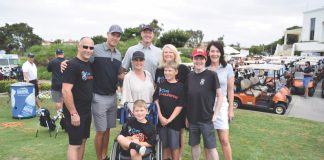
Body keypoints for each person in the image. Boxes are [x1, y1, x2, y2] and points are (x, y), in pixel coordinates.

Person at [61, 25, 124, 160]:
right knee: (100, 131)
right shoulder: (96, 49)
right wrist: (65, 62)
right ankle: (99, 157)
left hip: (112, 97)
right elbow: (80, 59)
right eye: (113, 34)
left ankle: (104, 156)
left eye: (118, 35)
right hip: (98, 97)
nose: (115, 37)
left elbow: (118, 73)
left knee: (106, 130)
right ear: (107, 34)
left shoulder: (119, 54)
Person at [186, 48, 223, 160]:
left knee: (211, 147)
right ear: (193, 59)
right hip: (192, 119)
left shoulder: (211, 75)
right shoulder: (189, 76)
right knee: (194, 145)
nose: (198, 61)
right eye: (196, 58)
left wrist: (216, 114)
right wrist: (187, 117)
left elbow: (220, 95)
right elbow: (188, 98)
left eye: (201, 58)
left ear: (205, 59)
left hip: (207, 119)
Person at [154, 44, 189, 159]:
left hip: (176, 114)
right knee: (164, 142)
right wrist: (161, 117)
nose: (168, 54)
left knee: (177, 139)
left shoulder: (182, 69)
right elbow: (156, 96)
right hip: (162, 113)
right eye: (165, 52)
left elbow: (184, 95)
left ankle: (177, 157)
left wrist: (169, 119)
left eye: (170, 52)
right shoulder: (159, 71)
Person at [61, 37, 94, 160]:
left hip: (86, 110)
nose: (88, 50)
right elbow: (65, 90)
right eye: (85, 46)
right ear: (78, 47)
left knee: (83, 141)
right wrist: (73, 113)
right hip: (75, 111)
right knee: (74, 144)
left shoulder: (89, 65)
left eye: (91, 48)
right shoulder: (71, 65)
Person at [206, 41, 234, 160]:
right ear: (208, 53)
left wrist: (231, 109)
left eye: (217, 51)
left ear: (221, 53)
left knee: (224, 140)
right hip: (207, 105)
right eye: (212, 51)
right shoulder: (204, 67)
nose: (215, 54)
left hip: (222, 105)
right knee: (208, 141)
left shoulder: (227, 67)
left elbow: (230, 90)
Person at [47, 49, 65, 113]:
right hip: (64, 83)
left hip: (55, 83)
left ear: (56, 54)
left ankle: (59, 113)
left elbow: (49, 70)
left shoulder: (52, 62)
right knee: (63, 99)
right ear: (62, 54)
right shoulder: (66, 61)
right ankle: (62, 113)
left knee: (57, 101)